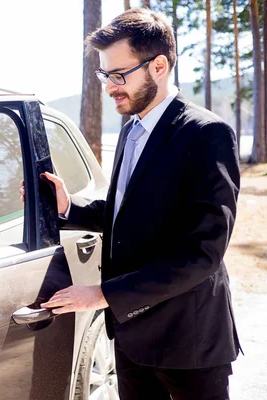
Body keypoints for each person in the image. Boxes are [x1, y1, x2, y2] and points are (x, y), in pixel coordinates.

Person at [21, 8, 242, 400]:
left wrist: (103, 294)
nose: (109, 87)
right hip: (129, 337)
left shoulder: (207, 134)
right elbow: (128, 213)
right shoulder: (132, 128)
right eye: (104, 75)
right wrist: (69, 208)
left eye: (119, 75)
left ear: (159, 65)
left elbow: (202, 253)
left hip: (187, 342)